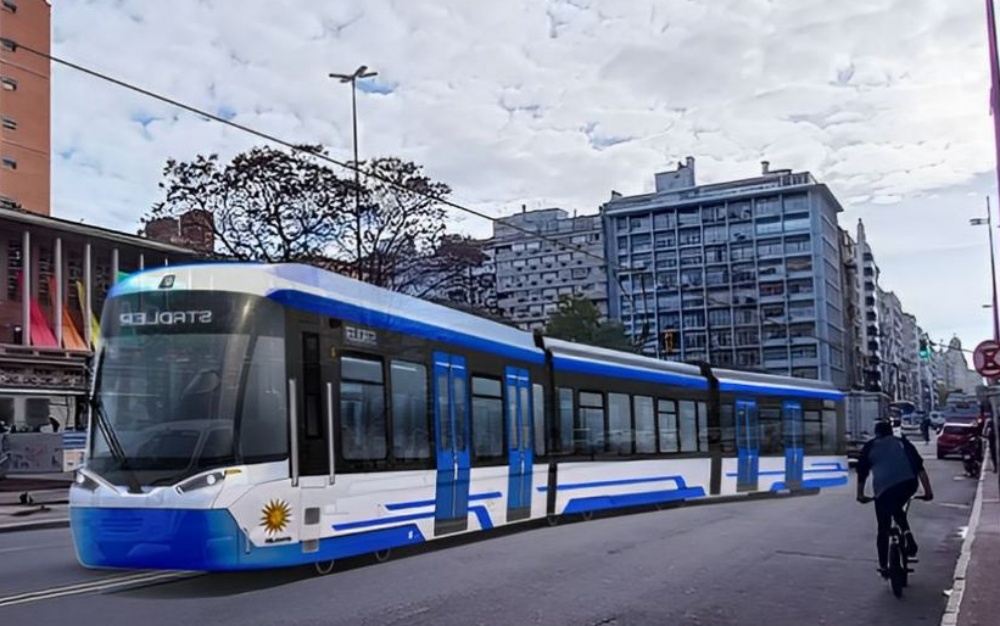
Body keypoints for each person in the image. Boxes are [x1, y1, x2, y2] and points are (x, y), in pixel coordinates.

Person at [856, 420, 934, 579]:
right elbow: (919, 468)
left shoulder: (870, 446)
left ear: (876, 433)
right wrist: (928, 491)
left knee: (883, 528)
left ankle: (884, 566)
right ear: (891, 432)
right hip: (908, 484)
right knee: (898, 505)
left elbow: (862, 472)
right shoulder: (903, 443)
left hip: (883, 489)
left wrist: (860, 494)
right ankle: (907, 533)